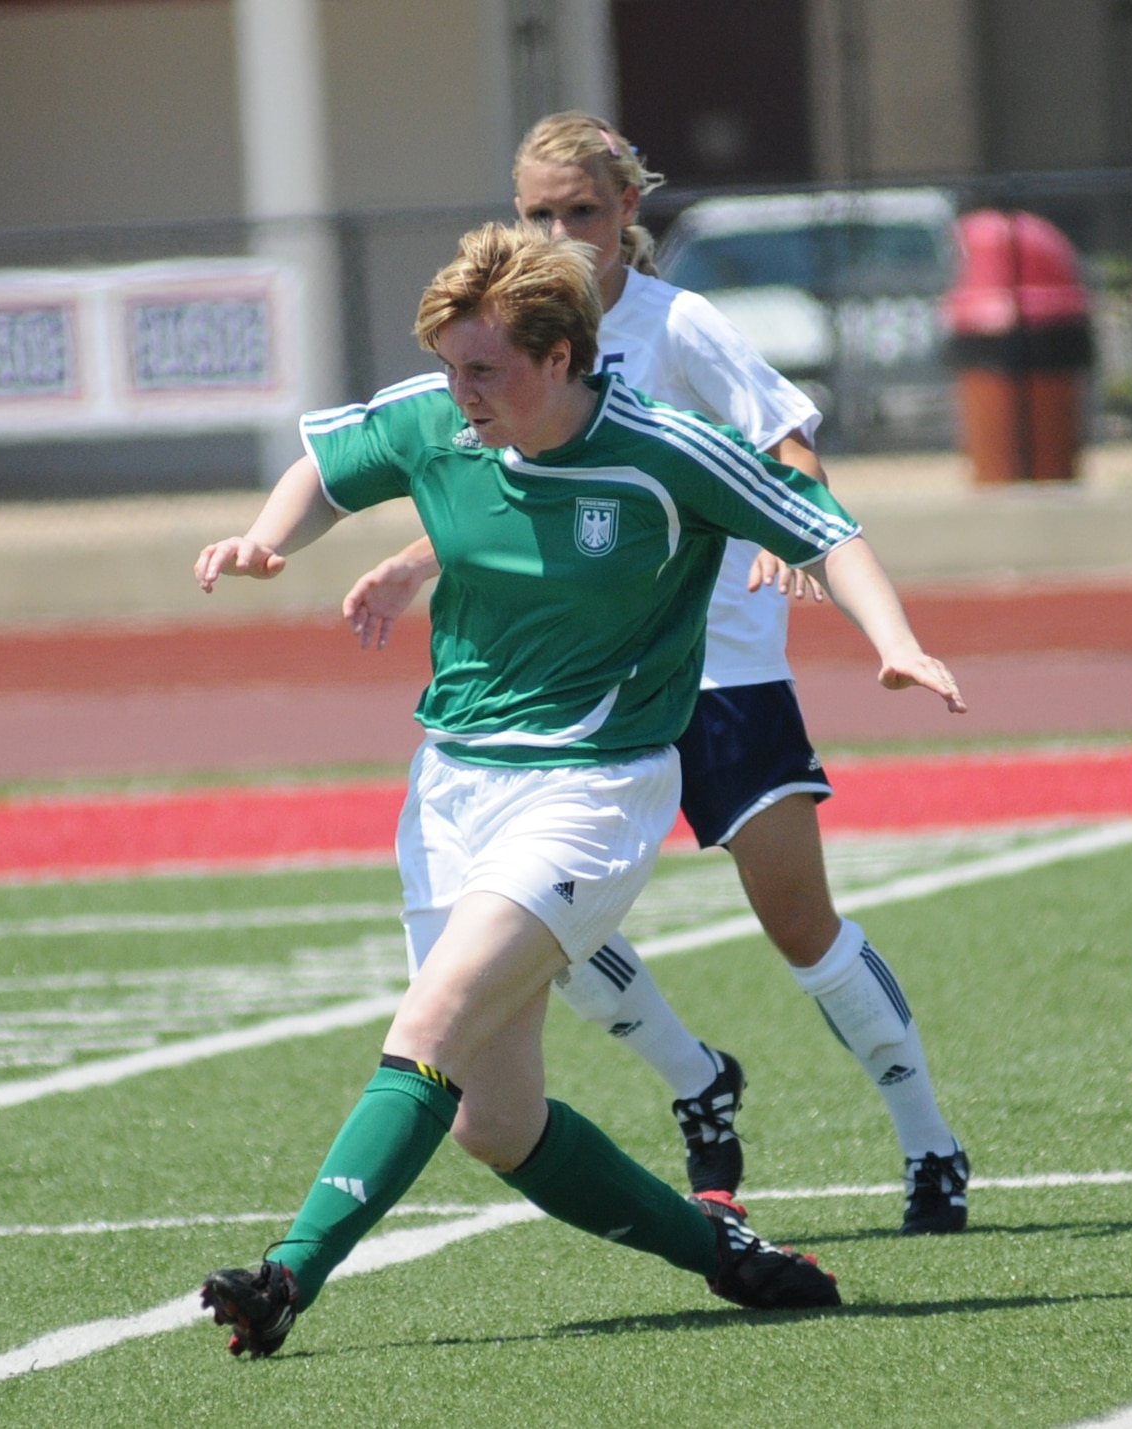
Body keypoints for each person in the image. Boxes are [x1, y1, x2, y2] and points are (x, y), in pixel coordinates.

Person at [191, 221, 963, 1357]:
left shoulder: (664, 450)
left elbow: (826, 532)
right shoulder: (439, 414)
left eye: (483, 370)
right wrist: (266, 538)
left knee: (431, 1023)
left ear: (561, 358)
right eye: (450, 367)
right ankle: (723, 1256)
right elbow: (330, 463)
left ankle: (285, 1276)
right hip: (447, 789)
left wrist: (891, 640)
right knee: (494, 1124)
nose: (456, 393)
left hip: (591, 794)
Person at [341, 113, 971, 1235]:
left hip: (721, 675)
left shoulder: (676, 323)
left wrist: (794, 529)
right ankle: (696, 1079)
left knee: (796, 921)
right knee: (544, 932)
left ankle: (926, 1138)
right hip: (578, 696)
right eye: (536, 212)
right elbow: (510, 493)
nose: (558, 231)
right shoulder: (506, 342)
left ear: (626, 211)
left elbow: (781, 443)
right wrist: (410, 561)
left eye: (579, 211)